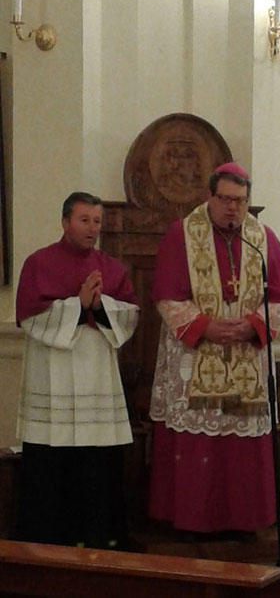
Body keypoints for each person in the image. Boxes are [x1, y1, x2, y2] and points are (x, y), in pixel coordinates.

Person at [149, 162, 280, 533]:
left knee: (239, 441)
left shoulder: (263, 239)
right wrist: (205, 327)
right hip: (195, 351)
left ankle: (243, 520)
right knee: (197, 441)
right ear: (210, 197)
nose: (233, 208)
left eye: (241, 201)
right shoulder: (181, 234)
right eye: (226, 199)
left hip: (245, 350)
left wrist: (252, 326)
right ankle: (191, 519)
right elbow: (166, 296)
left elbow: (279, 299)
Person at [15, 192, 139, 549]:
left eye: (97, 221)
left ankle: (99, 536)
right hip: (52, 366)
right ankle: (46, 539)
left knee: (96, 457)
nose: (92, 228)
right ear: (65, 221)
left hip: (96, 366)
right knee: (51, 456)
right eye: (84, 220)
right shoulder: (38, 263)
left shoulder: (111, 267)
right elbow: (29, 315)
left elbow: (131, 313)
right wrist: (77, 304)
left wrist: (101, 307)